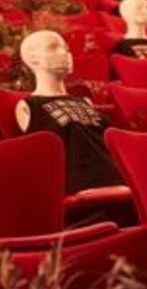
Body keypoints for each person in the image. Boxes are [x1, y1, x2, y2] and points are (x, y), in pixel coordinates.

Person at [16, 30, 124, 194]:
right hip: (79, 190)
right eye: (52, 47)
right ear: (32, 58)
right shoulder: (28, 107)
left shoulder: (85, 102)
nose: (64, 53)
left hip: (120, 182)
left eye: (66, 48)